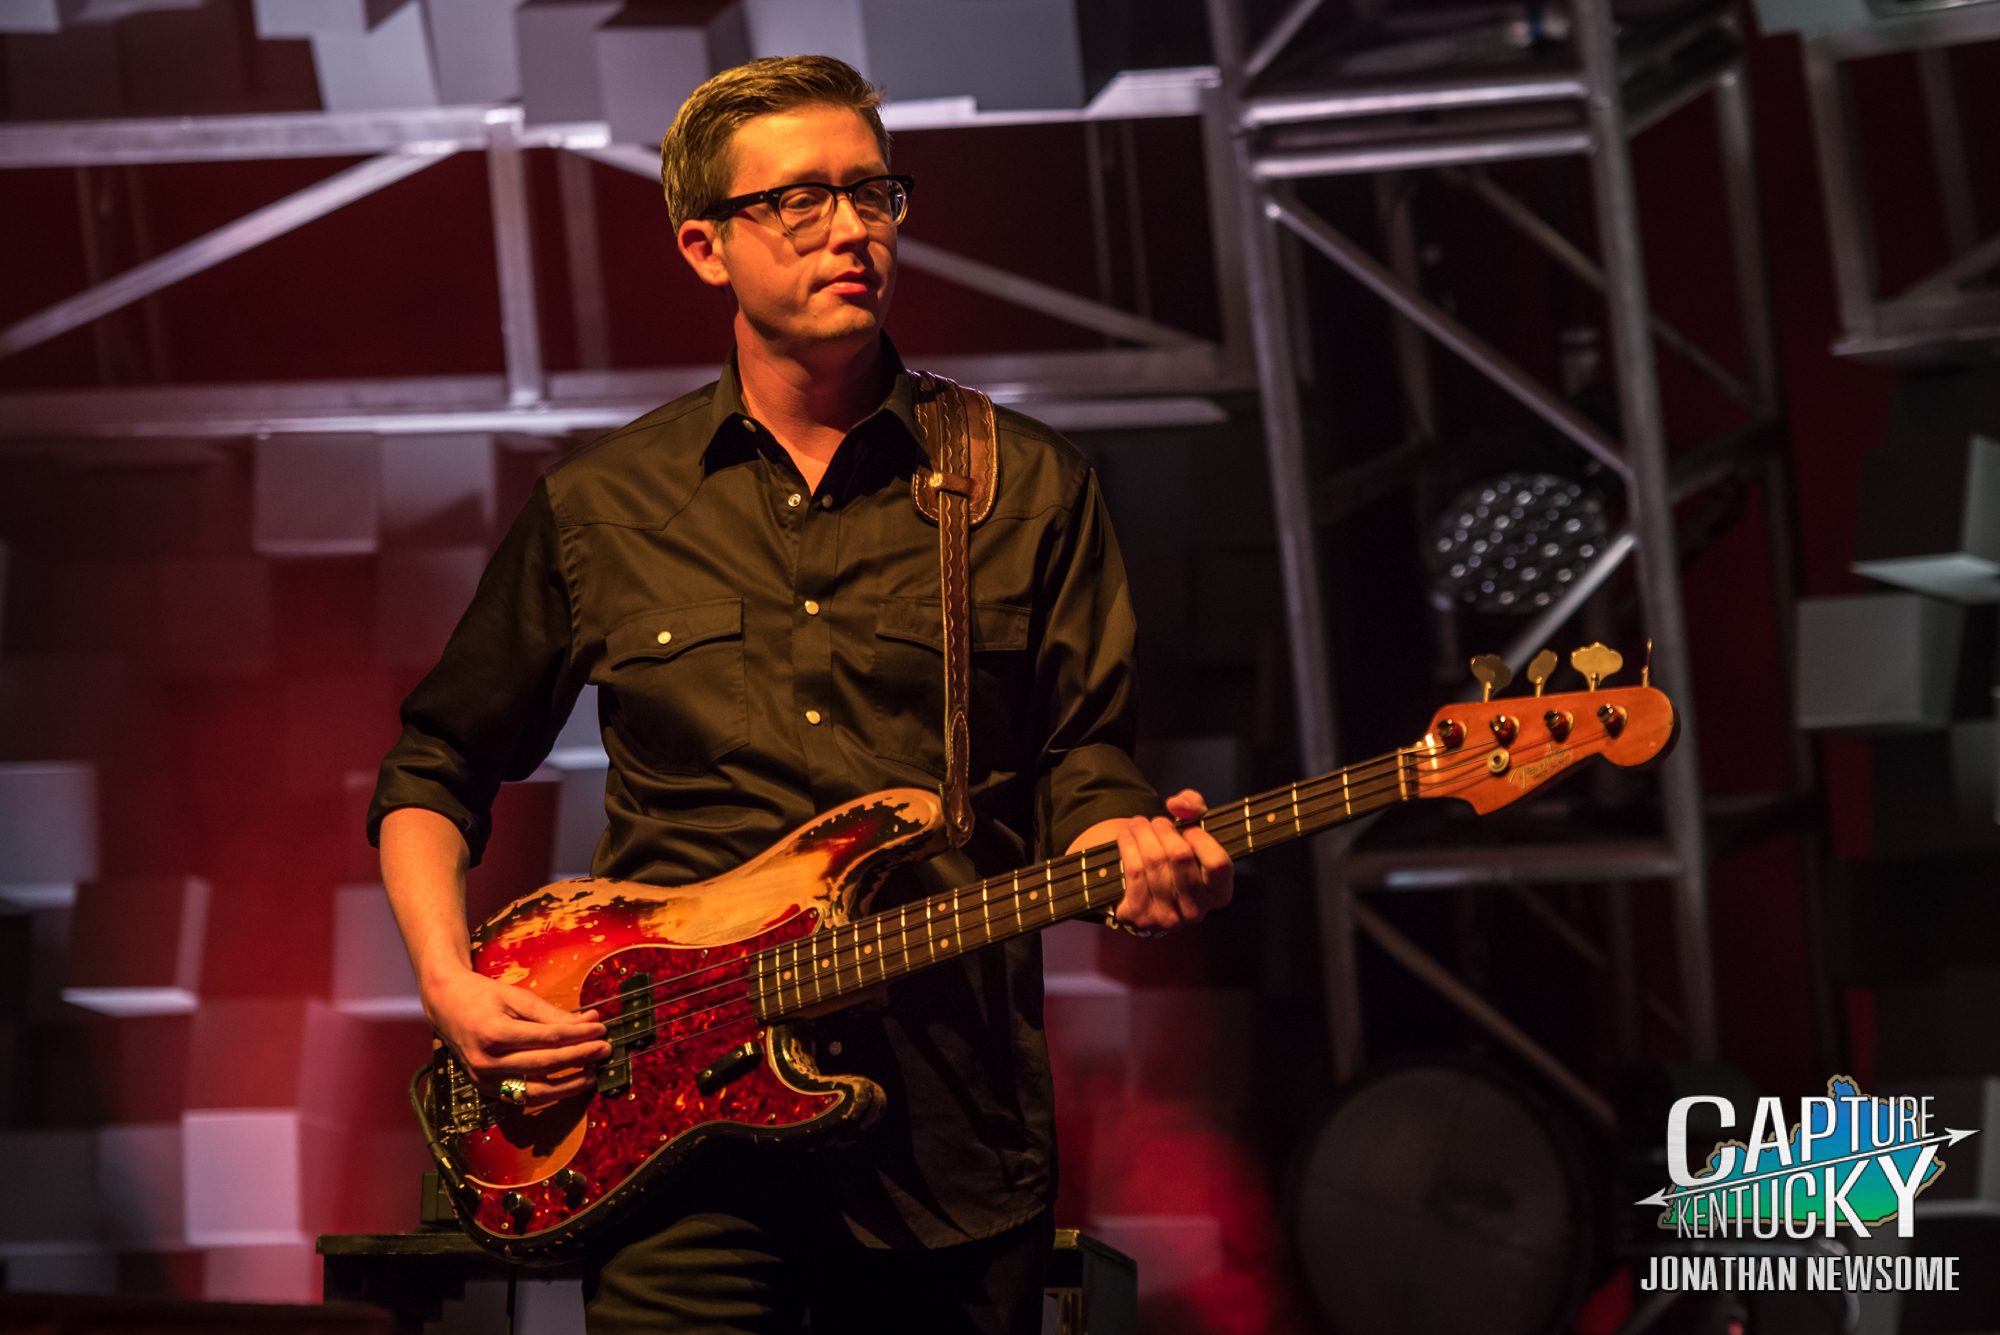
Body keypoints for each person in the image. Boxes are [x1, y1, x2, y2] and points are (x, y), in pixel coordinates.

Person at [368, 55, 1232, 1335]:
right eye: (798, 201)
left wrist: (1128, 850)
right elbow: (435, 766)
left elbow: (1082, 758)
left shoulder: (1027, 486)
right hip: (672, 1159)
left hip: (945, 1151)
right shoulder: (604, 507)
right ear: (704, 247)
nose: (849, 229)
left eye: (872, 193)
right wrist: (447, 981)